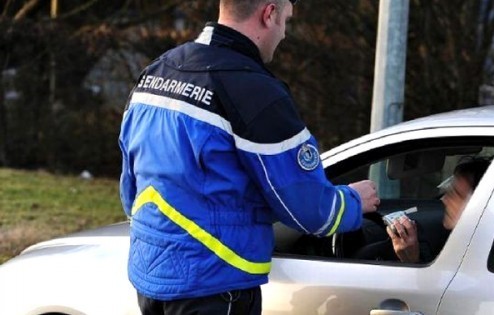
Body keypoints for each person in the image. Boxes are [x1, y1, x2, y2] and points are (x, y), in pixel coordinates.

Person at [118, 0, 380, 314]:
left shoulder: (158, 70)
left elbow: (130, 185)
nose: (284, 34)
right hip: (215, 288)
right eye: (286, 21)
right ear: (269, 14)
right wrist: (353, 200)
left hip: (151, 282)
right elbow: (308, 210)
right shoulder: (255, 92)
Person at [354, 157, 490, 263]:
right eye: (448, 192)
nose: (444, 200)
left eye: (457, 195)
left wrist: (412, 260)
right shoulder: (469, 244)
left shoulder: (490, 254)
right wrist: (412, 257)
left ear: (481, 203)